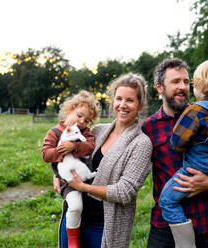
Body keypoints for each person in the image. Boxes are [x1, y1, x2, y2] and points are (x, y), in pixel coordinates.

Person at [142, 58, 208, 248]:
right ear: (159, 87)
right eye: (175, 81)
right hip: (165, 226)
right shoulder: (149, 127)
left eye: (186, 81)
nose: (183, 86)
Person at [54, 73, 153, 248]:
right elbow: (69, 154)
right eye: (119, 99)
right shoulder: (98, 131)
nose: (122, 105)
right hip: (75, 216)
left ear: (140, 105)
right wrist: (57, 174)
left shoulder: (141, 143)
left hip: (103, 225)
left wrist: (84, 187)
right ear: (112, 101)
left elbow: (125, 192)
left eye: (130, 100)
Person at [41, 90, 101, 248]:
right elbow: (46, 154)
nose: (82, 121)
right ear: (69, 110)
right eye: (79, 115)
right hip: (67, 179)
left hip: (86, 175)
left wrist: (74, 146)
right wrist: (61, 150)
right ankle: (73, 241)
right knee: (75, 206)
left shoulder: (86, 133)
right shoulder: (54, 132)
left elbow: (90, 146)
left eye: (87, 120)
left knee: (90, 205)